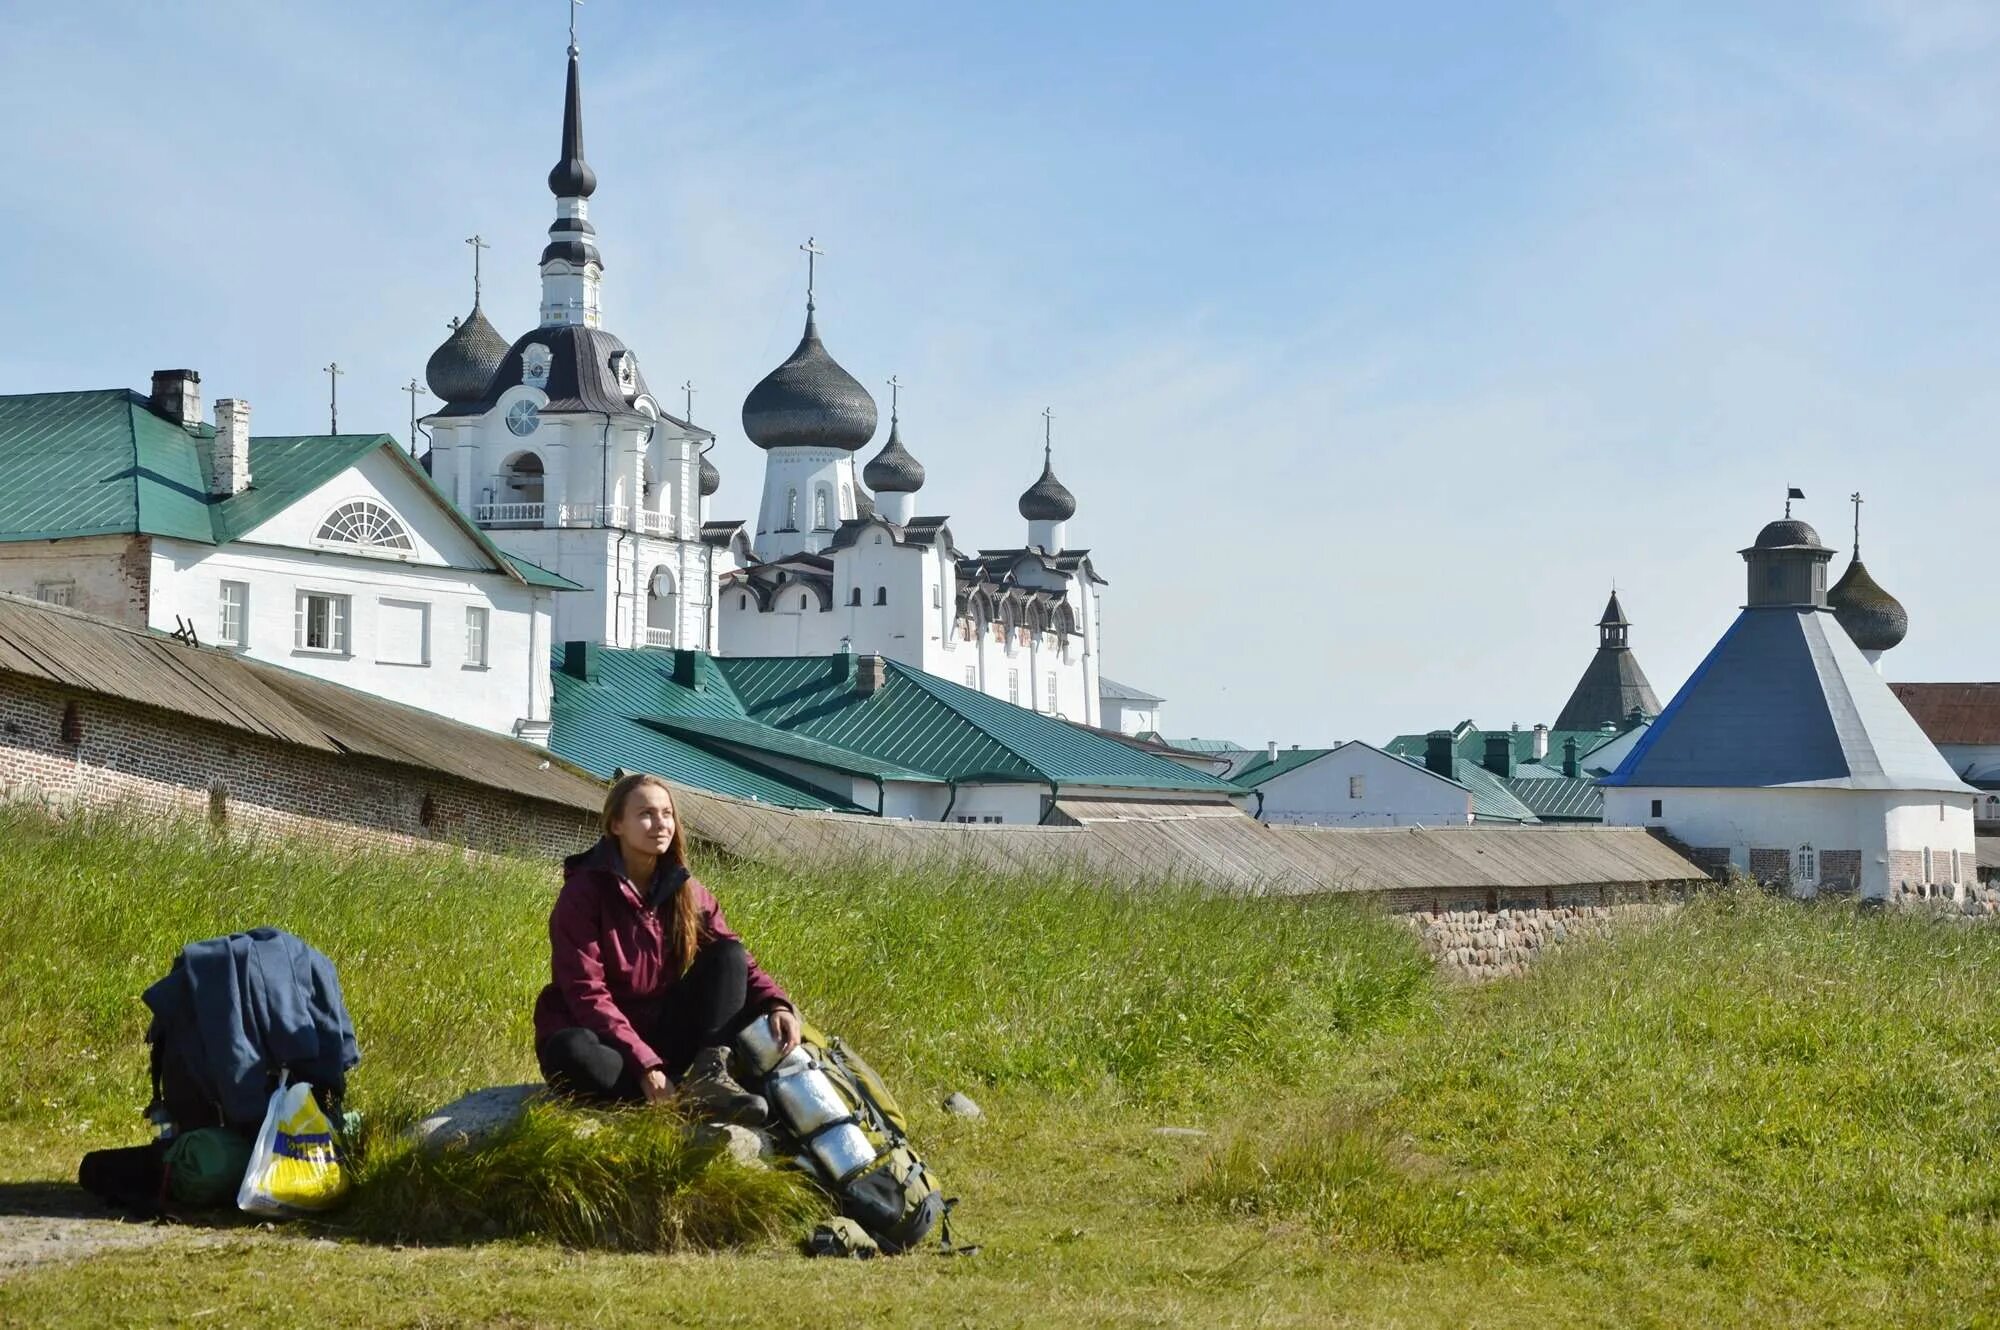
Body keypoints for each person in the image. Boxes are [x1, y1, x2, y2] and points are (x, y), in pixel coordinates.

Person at [534, 773, 800, 1123]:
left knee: (727, 954)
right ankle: (672, 1093)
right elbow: (586, 994)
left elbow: (735, 961)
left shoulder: (684, 888)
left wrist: (777, 1003)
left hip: (663, 1029)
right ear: (616, 824)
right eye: (646, 814)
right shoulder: (583, 893)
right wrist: (645, 1064)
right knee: (572, 1052)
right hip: (600, 1036)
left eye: (667, 814)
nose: (660, 824)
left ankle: (709, 1077)